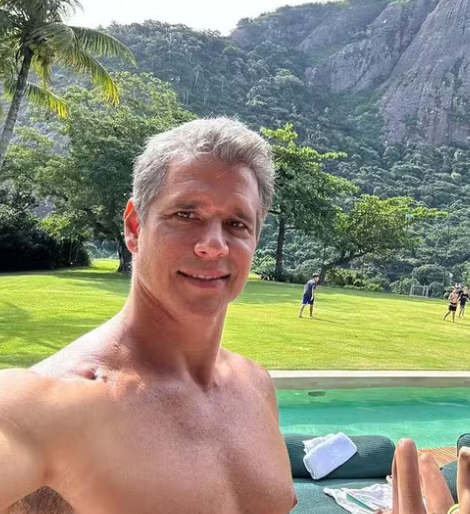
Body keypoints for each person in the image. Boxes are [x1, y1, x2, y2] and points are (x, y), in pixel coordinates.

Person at [0, 118, 297, 513]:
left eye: (236, 224)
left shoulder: (256, 387)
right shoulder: (48, 405)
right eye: (186, 215)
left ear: (254, 239)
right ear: (135, 226)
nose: (214, 244)